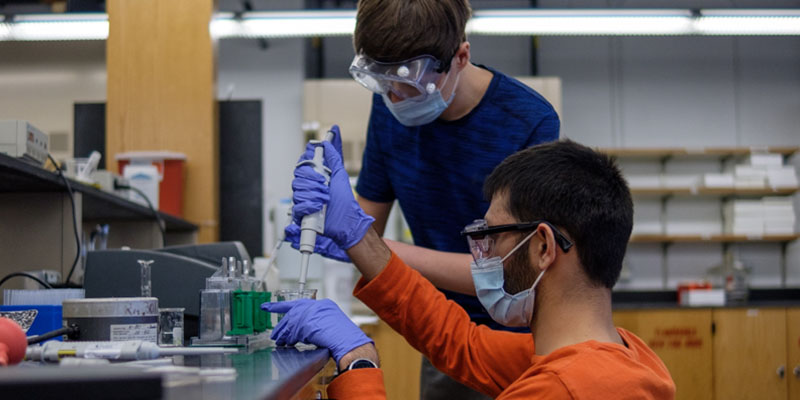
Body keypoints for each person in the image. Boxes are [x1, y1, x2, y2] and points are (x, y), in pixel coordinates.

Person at [264, 138, 676, 399]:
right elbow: (460, 342)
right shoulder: (621, 356)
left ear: (544, 247)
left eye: (493, 236)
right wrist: (357, 237)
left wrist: (359, 362)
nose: (485, 253)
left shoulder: (562, 389)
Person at [348, 1, 559, 397]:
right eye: (383, 82)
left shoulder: (528, 121)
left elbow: (514, 273)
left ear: (461, 57)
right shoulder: (389, 109)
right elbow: (363, 228)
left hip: (522, 340)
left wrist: (369, 245)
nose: (395, 98)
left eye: (411, 83)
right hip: (442, 335)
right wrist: (329, 207)